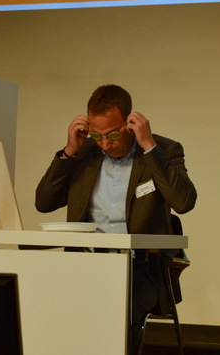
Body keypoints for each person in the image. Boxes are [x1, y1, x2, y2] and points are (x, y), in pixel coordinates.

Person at [35, 84, 197, 352]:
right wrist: (69, 152)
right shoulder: (85, 152)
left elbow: (184, 202)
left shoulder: (164, 150)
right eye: (96, 135)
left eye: (112, 134)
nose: (105, 143)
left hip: (141, 269)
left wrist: (149, 146)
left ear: (130, 124)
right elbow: (44, 203)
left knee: (117, 312)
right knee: (46, 307)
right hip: (85, 265)